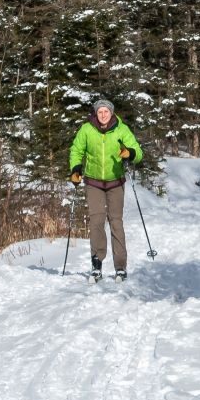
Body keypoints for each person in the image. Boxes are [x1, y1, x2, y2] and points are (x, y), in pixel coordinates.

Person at [68, 97, 143, 281]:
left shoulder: (121, 129)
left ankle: (120, 266)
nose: (103, 115)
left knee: (116, 221)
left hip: (115, 182)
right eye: (100, 112)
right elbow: (76, 150)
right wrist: (76, 168)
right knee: (96, 221)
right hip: (93, 182)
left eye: (106, 112)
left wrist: (130, 153)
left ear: (111, 112)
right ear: (96, 113)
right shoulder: (87, 129)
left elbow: (138, 152)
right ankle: (96, 263)